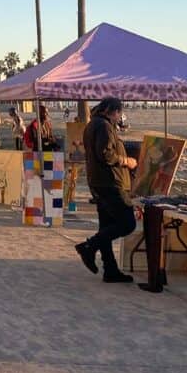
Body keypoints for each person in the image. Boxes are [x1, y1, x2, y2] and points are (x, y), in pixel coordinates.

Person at [75, 97, 137, 283]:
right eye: (119, 113)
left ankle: (110, 269)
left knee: (107, 225)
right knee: (127, 223)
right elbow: (106, 154)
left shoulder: (93, 124)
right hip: (110, 183)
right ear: (113, 111)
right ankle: (89, 246)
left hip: (99, 182)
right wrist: (127, 161)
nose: (120, 117)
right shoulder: (103, 126)